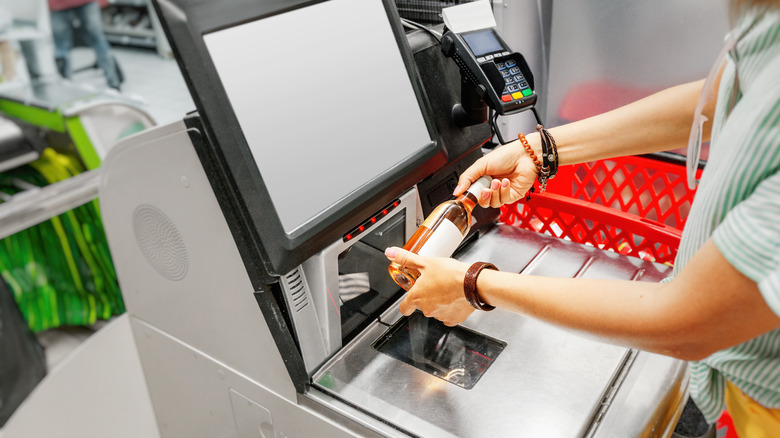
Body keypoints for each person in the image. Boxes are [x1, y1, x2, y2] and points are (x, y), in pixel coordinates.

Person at [385, 1, 780, 436]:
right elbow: (719, 97)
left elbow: (688, 321)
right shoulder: (767, 21)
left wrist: (474, 283)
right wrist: (542, 149)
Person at [48, 0, 120, 90]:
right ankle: (114, 82)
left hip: (58, 4)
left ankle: (65, 87)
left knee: (61, 46)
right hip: (82, 2)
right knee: (98, 40)